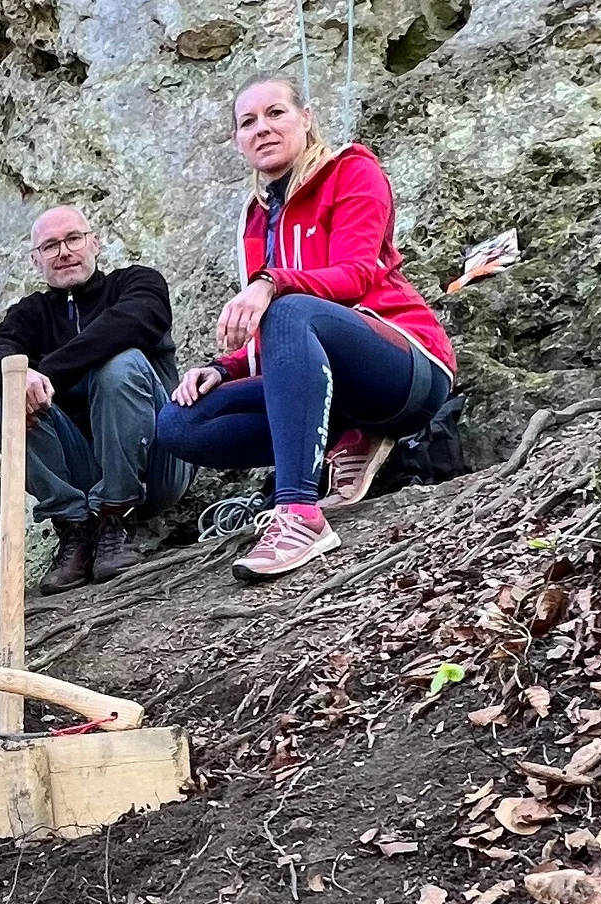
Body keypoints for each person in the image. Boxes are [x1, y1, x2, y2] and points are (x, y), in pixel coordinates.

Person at [157, 71, 456, 581]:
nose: (262, 128)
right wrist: (224, 368)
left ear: (306, 118)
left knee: (289, 308)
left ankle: (299, 512)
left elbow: (355, 276)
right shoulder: (257, 217)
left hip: (406, 366)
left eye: (276, 113)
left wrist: (270, 283)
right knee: (179, 422)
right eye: (248, 122)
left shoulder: (352, 170)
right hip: (330, 378)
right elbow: (281, 339)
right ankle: (348, 431)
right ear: (237, 141)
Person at [0, 206, 194, 594]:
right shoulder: (30, 315)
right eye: (50, 246)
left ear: (95, 243)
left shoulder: (137, 283)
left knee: (120, 366)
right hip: (83, 471)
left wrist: (47, 373)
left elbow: (128, 326)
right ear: (35, 260)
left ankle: (118, 518)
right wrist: (21, 377)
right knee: (1, 395)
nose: (64, 252)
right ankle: (75, 528)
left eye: (73, 239)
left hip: (158, 462)